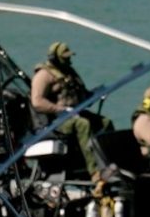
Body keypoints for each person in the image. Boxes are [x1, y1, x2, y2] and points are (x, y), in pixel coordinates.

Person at [28, 41, 111, 186]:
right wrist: (59, 109)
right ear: (55, 58)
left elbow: (82, 94)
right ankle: (94, 171)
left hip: (76, 112)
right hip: (57, 121)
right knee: (83, 125)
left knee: (105, 122)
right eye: (64, 57)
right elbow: (37, 101)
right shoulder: (44, 75)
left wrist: (96, 94)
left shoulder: (69, 72)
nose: (68, 60)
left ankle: (110, 162)